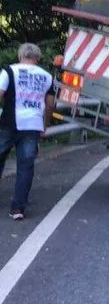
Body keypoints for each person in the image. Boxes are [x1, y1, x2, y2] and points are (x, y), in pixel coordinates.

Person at [0, 43, 54, 220]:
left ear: (19, 56)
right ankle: (17, 209)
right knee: (25, 166)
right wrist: (44, 125)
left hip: (8, 123)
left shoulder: (9, 71)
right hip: (32, 125)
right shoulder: (46, 76)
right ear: (38, 58)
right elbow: (50, 104)